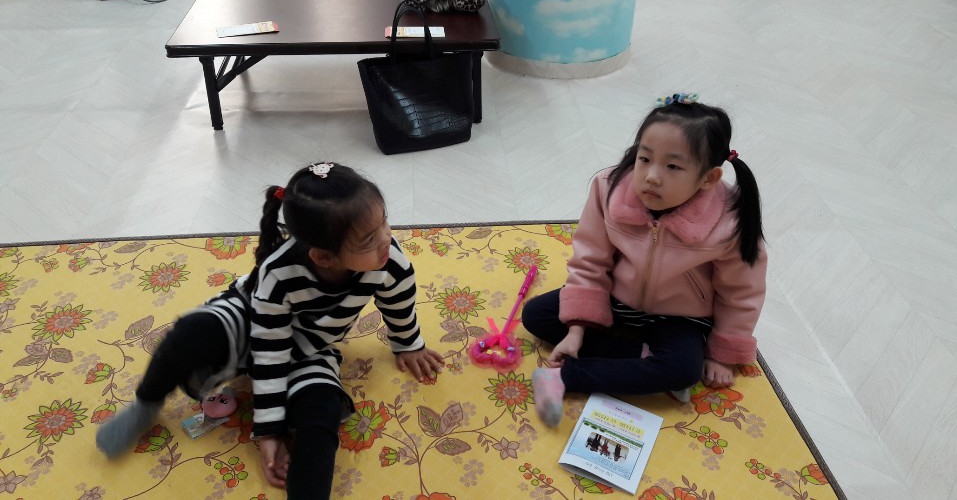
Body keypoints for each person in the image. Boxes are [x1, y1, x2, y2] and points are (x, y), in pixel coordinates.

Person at [96, 162, 444, 499]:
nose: (387, 239)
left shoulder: (388, 260)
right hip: (249, 323)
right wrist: (268, 431)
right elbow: (269, 350)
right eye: (369, 239)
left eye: (385, 222)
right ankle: (146, 405)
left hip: (310, 346)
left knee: (322, 414)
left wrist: (407, 343)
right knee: (192, 330)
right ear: (323, 257)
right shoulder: (278, 273)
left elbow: (399, 300)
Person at [523, 94, 767, 427]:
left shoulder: (730, 219)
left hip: (680, 316)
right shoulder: (608, 188)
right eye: (644, 158)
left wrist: (721, 354)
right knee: (536, 316)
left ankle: (564, 378)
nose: (651, 176)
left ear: (708, 178)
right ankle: (643, 356)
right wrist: (577, 329)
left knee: (683, 370)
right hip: (617, 300)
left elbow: (741, 292)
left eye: (673, 166)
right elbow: (590, 261)